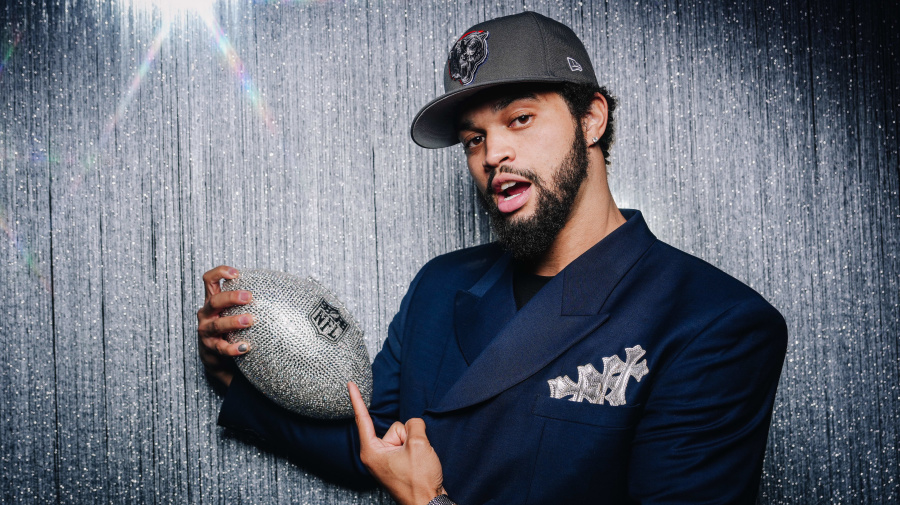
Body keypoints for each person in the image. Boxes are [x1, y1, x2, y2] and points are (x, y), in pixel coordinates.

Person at [196, 11, 788, 505]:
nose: (492, 152)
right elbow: (380, 446)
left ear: (591, 119)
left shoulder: (715, 324)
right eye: (474, 136)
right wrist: (240, 375)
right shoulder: (441, 284)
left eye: (520, 118)